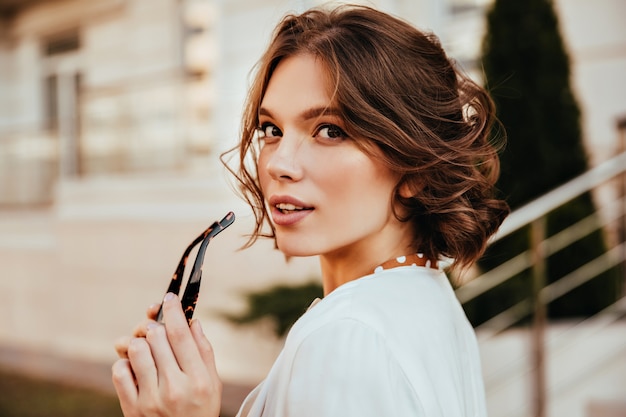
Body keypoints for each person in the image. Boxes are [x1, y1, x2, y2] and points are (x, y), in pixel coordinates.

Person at [111, 4, 510, 417]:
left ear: (416, 169)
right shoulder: (427, 302)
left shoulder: (348, 337)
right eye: (272, 130)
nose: (278, 164)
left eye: (330, 131)